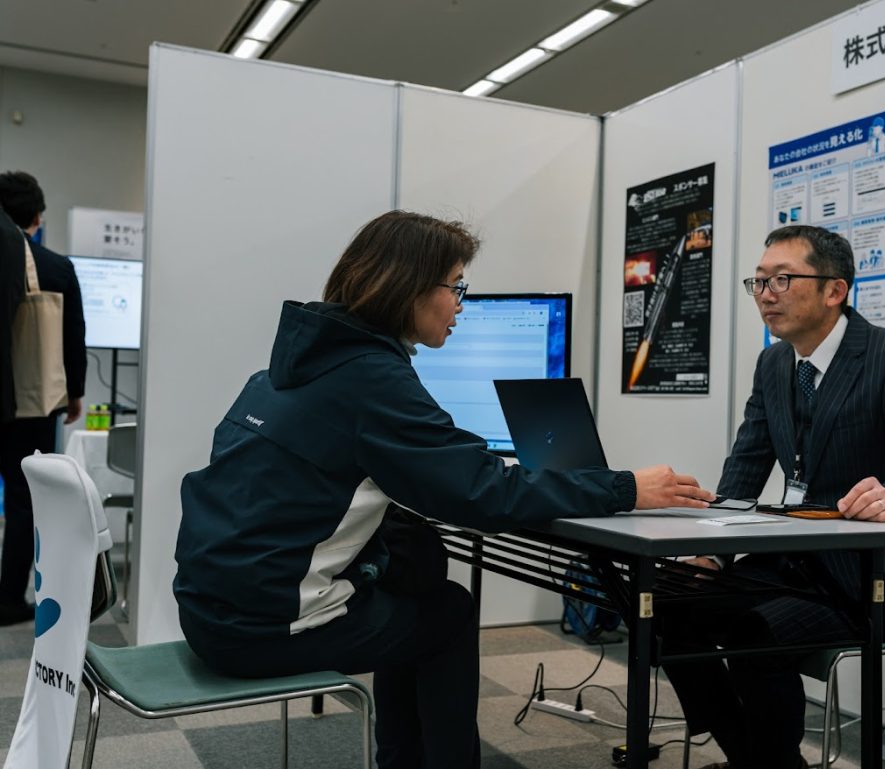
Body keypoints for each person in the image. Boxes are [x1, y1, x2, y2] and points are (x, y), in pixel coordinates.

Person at [173, 210, 716, 769]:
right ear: (410, 287)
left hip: (209, 608)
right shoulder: (371, 378)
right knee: (449, 614)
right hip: (261, 628)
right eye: (455, 286)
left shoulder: (297, 365)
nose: (461, 304)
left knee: (416, 583)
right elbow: (483, 492)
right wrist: (625, 487)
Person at [661, 225, 885, 769]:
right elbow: (746, 464)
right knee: (670, 606)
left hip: (871, 575)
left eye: (782, 280)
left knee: (754, 635)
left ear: (834, 290)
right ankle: (756, 759)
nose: (766, 294)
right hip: (792, 562)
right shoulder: (773, 364)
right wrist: (711, 552)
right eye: (759, 281)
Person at [0, 171, 87, 626]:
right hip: (32, 402)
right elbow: (73, 336)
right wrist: (75, 394)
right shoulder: (54, 267)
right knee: (23, 499)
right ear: (36, 218)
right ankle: (9, 597)